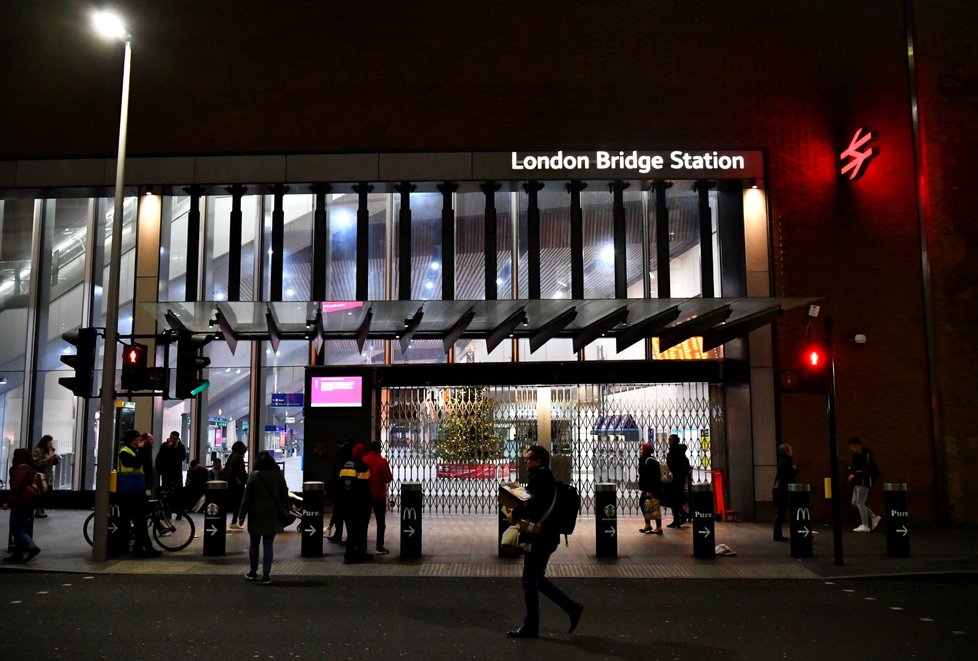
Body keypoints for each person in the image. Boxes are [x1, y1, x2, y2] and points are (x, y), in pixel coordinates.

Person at [506, 444, 583, 639]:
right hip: (548, 537)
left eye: (528, 459)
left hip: (540, 537)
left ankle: (532, 626)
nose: (526, 462)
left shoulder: (540, 480)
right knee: (536, 578)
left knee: (529, 580)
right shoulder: (545, 478)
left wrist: (513, 513)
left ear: (538, 461)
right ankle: (572, 608)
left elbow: (532, 506)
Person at [239, 450, 289, 584]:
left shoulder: (253, 476)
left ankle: (253, 572)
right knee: (268, 544)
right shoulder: (278, 474)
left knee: (254, 544)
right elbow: (285, 492)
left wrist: (241, 515)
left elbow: (246, 498)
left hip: (256, 514)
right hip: (272, 514)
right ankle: (266, 574)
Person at [117, 430, 161, 558]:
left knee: (141, 521)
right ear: (132, 439)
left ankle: (144, 548)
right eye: (138, 438)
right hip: (129, 492)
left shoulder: (135, 451)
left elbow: (145, 464)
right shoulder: (124, 452)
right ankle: (135, 549)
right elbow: (136, 464)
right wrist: (142, 451)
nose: (140, 440)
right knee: (135, 521)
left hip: (137, 490)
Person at [3, 448, 41, 563]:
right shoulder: (30, 467)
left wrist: (8, 501)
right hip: (30, 501)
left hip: (21, 501)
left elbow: (16, 486)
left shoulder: (21, 468)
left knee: (16, 527)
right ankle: (17, 554)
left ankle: (31, 547)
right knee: (21, 527)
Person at [337, 443, 372, 563]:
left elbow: (340, 484)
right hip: (359, 504)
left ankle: (349, 554)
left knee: (351, 530)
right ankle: (360, 554)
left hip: (346, 503)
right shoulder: (362, 466)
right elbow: (365, 487)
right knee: (361, 530)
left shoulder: (344, 465)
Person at [362, 440, 394, 555]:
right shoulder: (383, 462)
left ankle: (362, 546)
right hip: (379, 495)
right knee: (380, 522)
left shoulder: (363, 460)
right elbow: (388, 479)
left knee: (364, 521)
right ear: (379, 449)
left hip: (365, 495)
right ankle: (379, 547)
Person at [848, 436, 882, 532]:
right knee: (854, 502)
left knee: (859, 502)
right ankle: (873, 516)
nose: (851, 449)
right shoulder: (856, 456)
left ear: (857, 445)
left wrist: (854, 474)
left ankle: (865, 525)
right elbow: (854, 468)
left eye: (852, 447)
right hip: (857, 482)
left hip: (864, 482)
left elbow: (865, 469)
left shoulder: (866, 455)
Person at [326, 440, 352, 543]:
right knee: (347, 516)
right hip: (348, 493)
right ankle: (349, 537)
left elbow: (334, 476)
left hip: (338, 492)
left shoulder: (339, 461)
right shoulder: (351, 461)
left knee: (338, 514)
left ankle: (338, 535)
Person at [772, 443, 798, 542]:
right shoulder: (787, 461)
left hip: (779, 490)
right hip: (785, 491)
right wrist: (796, 469)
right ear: (787, 451)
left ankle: (777, 535)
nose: (792, 452)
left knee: (780, 513)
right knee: (784, 512)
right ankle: (791, 533)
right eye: (790, 450)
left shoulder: (780, 460)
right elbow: (790, 474)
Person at [665, 434, 692, 528]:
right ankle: (678, 518)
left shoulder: (677, 452)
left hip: (678, 479)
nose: (669, 441)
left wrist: (677, 474)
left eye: (671, 440)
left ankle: (682, 516)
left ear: (676, 441)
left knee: (675, 499)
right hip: (675, 478)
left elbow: (681, 465)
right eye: (669, 439)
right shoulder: (673, 451)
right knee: (674, 500)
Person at [637, 443, 664, 535]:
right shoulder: (644, 460)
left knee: (654, 505)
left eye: (642, 449)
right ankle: (648, 524)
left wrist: (650, 490)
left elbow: (652, 476)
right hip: (648, 487)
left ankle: (658, 527)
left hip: (651, 488)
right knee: (646, 504)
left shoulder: (650, 461)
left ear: (646, 450)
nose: (640, 450)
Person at [30, 434, 59, 518]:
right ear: (45, 442)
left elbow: (54, 463)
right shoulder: (38, 450)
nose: (50, 443)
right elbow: (36, 463)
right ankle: (38, 510)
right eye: (49, 442)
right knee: (40, 493)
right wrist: (47, 460)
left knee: (46, 493)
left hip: (49, 475)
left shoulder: (50, 450)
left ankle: (42, 509)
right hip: (41, 475)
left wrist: (54, 458)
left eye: (51, 442)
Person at [155, 431, 187, 498]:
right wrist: (168, 448)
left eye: (175, 439)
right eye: (171, 438)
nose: (172, 440)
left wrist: (176, 449)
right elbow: (160, 457)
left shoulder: (181, 447)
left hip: (177, 472)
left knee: (177, 490)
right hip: (166, 472)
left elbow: (183, 457)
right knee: (166, 489)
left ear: (178, 439)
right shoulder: (164, 445)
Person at [226, 441, 249, 530]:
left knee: (236, 502)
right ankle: (234, 522)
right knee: (238, 502)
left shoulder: (232, 456)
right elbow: (240, 471)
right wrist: (246, 479)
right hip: (237, 484)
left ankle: (234, 521)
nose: (245, 448)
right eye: (243, 446)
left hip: (232, 483)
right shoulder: (238, 457)